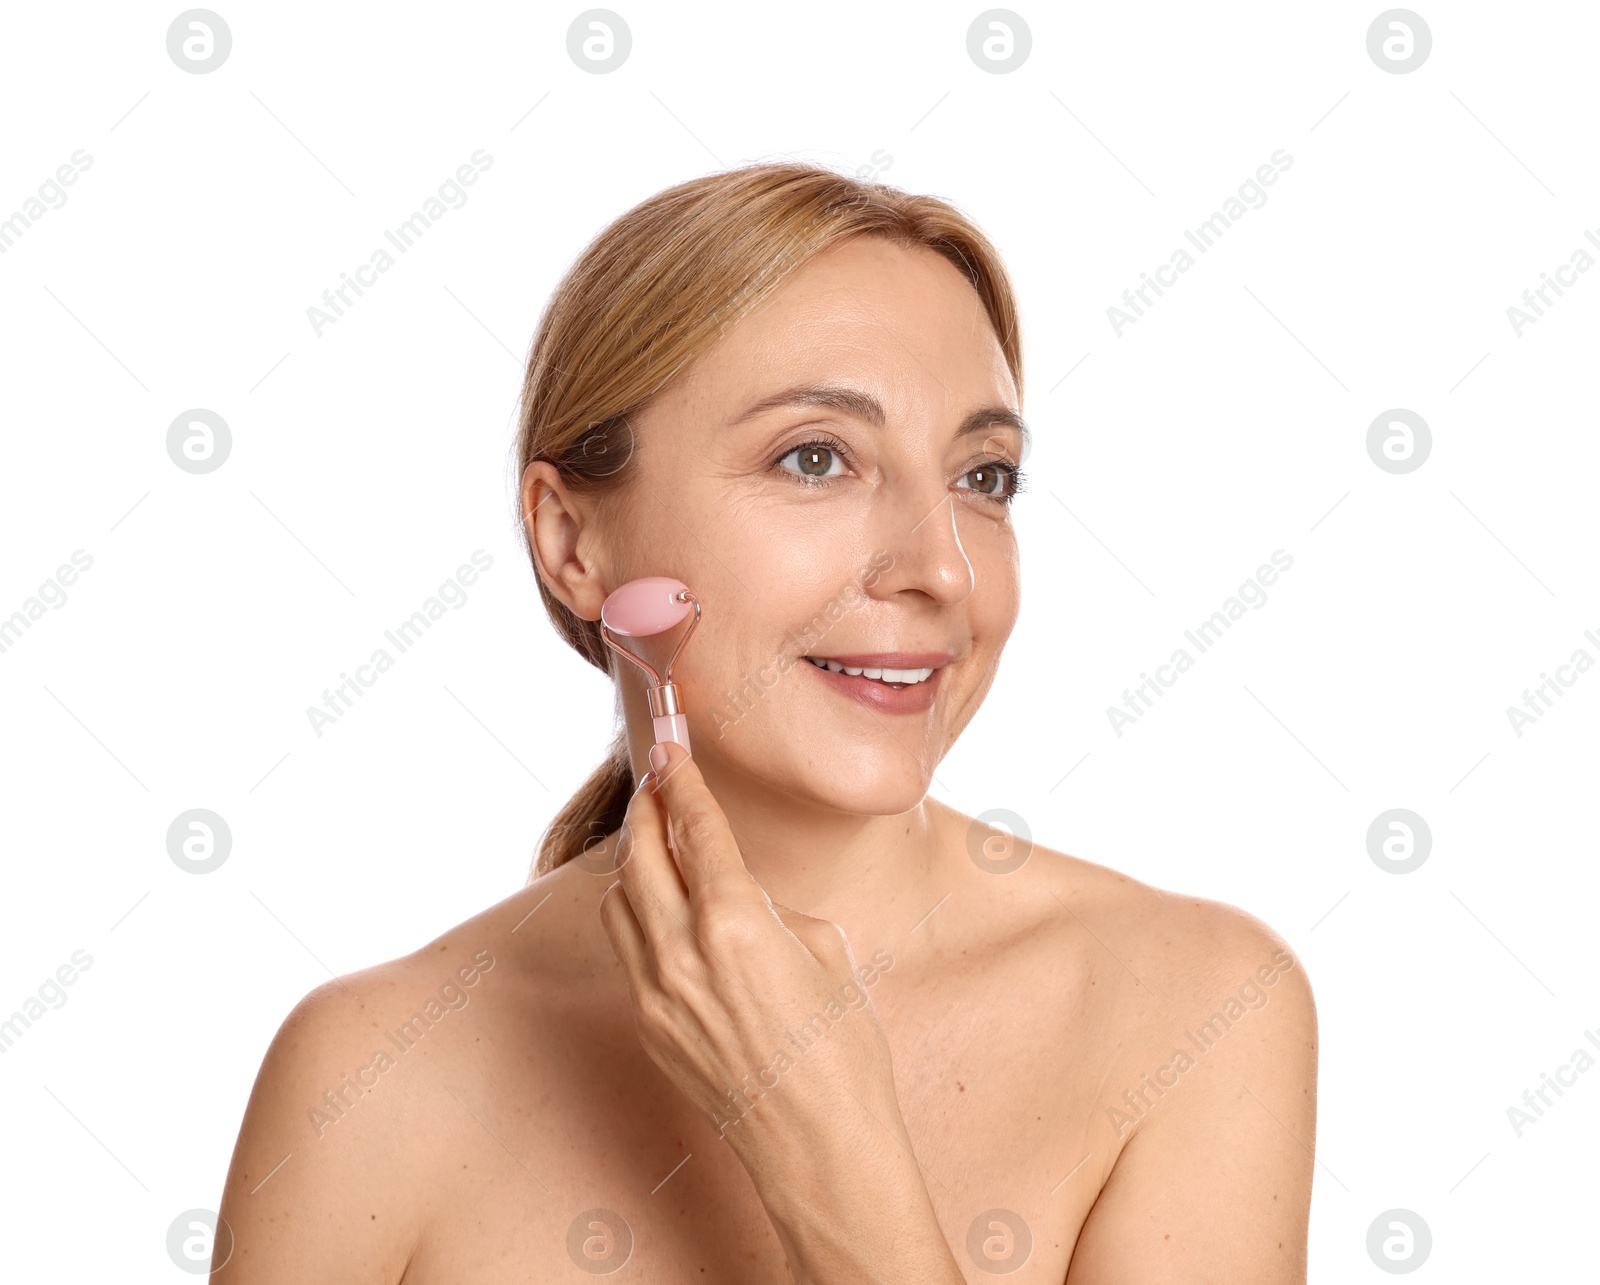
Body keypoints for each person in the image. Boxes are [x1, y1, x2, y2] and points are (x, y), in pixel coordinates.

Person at [213, 161, 1317, 1282]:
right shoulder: (365, 1081)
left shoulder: (1194, 1013)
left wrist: (829, 1147)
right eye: (815, 458)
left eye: (983, 478)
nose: (940, 568)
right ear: (570, 543)